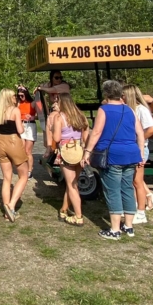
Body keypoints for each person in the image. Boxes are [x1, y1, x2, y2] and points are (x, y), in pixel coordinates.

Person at [83, 80, 145, 241]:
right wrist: (140, 154)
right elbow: (140, 133)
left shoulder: (104, 110)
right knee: (127, 188)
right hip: (131, 154)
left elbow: (96, 132)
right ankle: (129, 226)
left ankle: (115, 229)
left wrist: (87, 151)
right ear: (120, 93)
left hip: (112, 155)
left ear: (106, 93)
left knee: (113, 191)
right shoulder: (129, 109)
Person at [0, 88, 30, 222]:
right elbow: (20, 130)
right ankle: (11, 206)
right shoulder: (15, 110)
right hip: (13, 142)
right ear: (8, 98)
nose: (15, 98)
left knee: (7, 178)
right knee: (23, 175)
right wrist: (22, 123)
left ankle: (7, 212)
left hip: (1, 142)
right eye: (13, 96)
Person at [52, 93, 90, 226]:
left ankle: (78, 216)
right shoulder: (80, 115)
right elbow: (86, 135)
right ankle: (63, 210)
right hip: (78, 150)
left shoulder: (59, 117)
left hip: (66, 151)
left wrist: (53, 129)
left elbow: (56, 138)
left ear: (61, 102)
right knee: (72, 183)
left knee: (72, 186)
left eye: (57, 101)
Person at [122, 84, 153, 225]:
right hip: (131, 149)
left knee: (137, 182)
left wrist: (139, 139)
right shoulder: (129, 109)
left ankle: (141, 212)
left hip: (140, 149)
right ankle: (134, 208)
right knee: (132, 181)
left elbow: (152, 129)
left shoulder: (141, 110)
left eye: (123, 95)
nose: (121, 97)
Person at [16, 85, 37, 176]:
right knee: (22, 149)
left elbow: (41, 113)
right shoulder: (18, 103)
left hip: (30, 125)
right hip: (21, 125)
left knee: (28, 150)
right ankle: (23, 168)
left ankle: (29, 171)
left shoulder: (32, 103)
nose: (20, 97)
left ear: (26, 94)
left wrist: (33, 117)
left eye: (22, 95)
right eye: (19, 96)